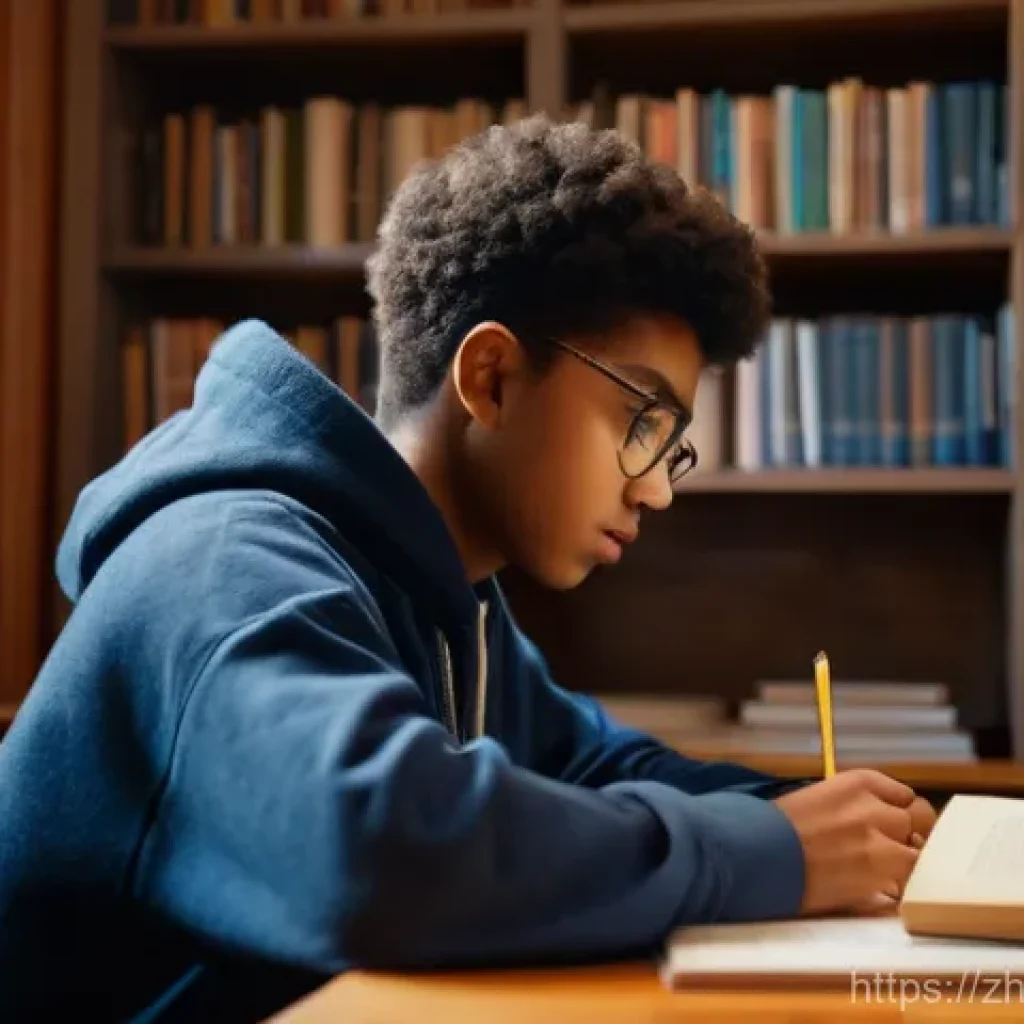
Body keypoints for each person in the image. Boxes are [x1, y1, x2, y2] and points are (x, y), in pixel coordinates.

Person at [0, 114, 936, 1022]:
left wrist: (852, 826)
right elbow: (380, 853)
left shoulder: (451, 596)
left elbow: (591, 767)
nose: (657, 492)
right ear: (491, 377)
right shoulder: (220, 564)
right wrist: (772, 851)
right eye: (640, 424)